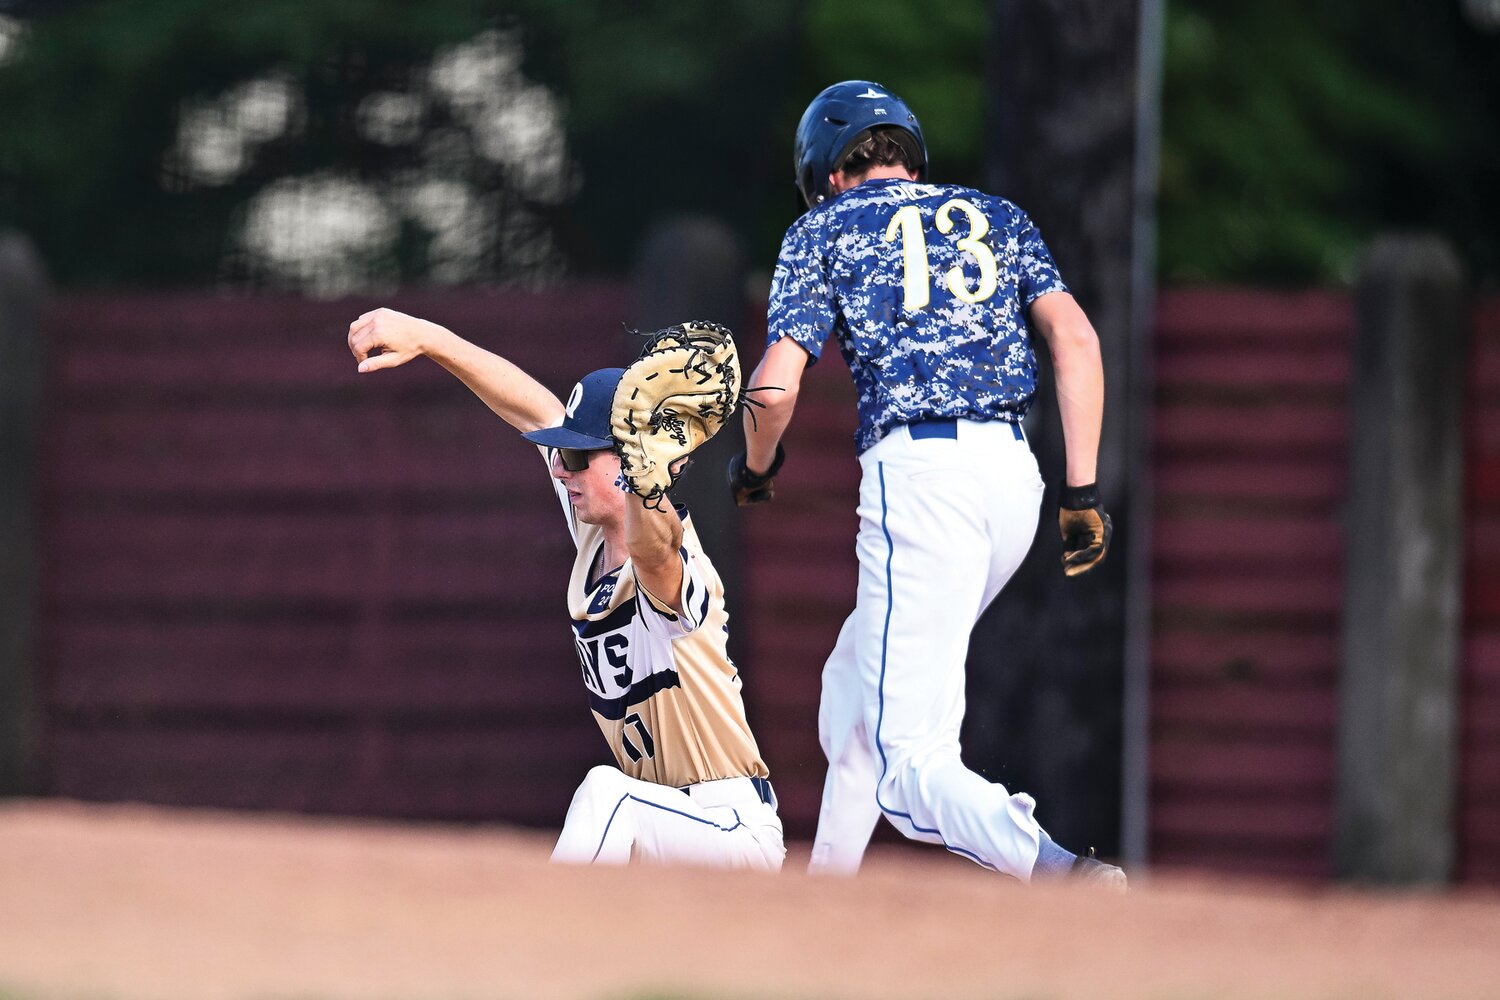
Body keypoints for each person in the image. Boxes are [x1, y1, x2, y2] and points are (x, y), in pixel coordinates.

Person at [727, 80, 1122, 887]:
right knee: (853, 687)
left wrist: (757, 467)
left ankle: (1056, 871)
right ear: (908, 154)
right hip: (1016, 479)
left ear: (828, 173)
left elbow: (772, 389)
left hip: (924, 479)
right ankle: (821, 899)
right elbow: (1075, 341)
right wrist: (1080, 496)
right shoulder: (998, 216)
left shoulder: (824, 228)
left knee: (911, 764)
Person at [349, 307, 784, 871]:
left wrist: (644, 471)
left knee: (609, 794)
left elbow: (657, 551)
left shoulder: (677, 560)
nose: (561, 470)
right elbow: (532, 409)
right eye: (562, 454)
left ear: (636, 463)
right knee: (619, 806)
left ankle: (531, 948)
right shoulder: (592, 534)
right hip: (664, 824)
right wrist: (433, 340)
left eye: (580, 456)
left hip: (729, 826)